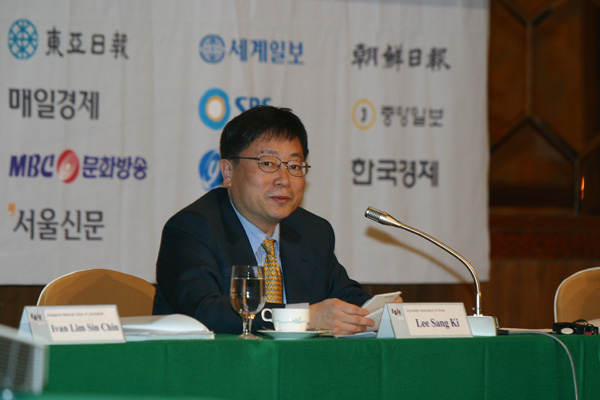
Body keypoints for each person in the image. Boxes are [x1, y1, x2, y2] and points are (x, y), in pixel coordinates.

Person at [153, 105, 399, 335]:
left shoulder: (313, 231)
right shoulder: (192, 229)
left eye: (294, 166)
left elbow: (344, 294)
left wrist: (378, 311)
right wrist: (304, 318)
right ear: (228, 172)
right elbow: (204, 312)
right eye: (268, 163)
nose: (284, 179)